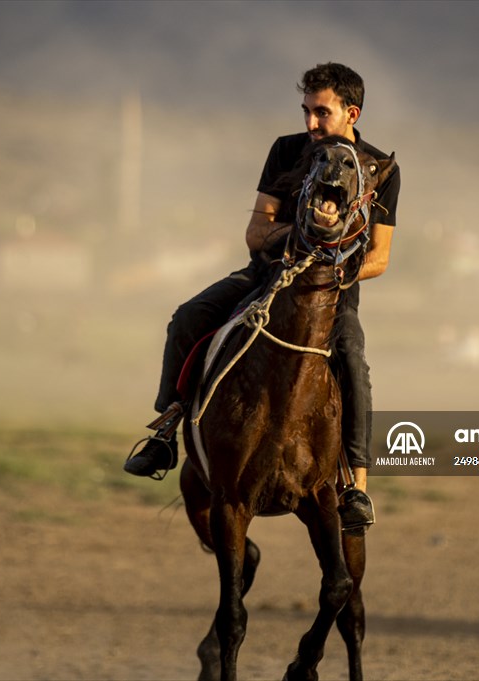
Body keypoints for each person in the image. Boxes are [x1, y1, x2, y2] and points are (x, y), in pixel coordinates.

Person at [124, 62, 401, 532]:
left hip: (331, 294)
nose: (311, 124)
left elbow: (380, 257)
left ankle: (356, 487)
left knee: (352, 356)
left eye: (322, 113)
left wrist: (331, 266)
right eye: (306, 112)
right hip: (265, 279)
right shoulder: (287, 151)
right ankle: (168, 429)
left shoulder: (378, 169)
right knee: (187, 317)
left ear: (351, 113)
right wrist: (303, 237)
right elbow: (256, 232)